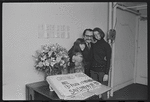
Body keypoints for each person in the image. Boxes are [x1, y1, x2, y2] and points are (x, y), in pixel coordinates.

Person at [90, 27, 112, 99]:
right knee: (94, 91)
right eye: (94, 34)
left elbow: (108, 60)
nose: (96, 36)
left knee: (103, 91)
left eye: (98, 34)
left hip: (102, 71)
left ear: (101, 33)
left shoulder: (106, 45)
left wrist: (106, 73)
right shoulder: (93, 44)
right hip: (93, 70)